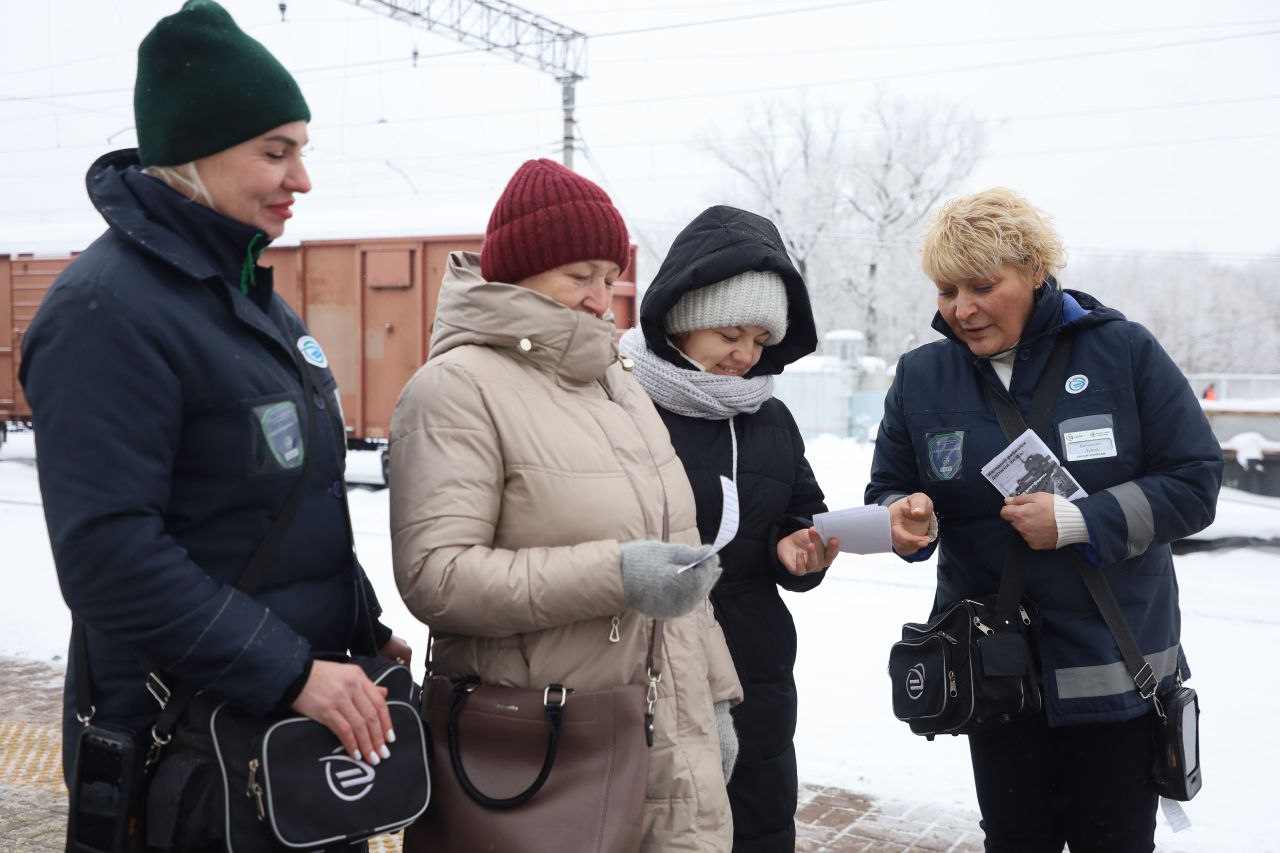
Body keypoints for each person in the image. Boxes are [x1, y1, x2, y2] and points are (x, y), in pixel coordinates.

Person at [19, 2, 409, 848]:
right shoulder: (105, 313)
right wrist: (293, 668)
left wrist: (359, 625)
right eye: (276, 151)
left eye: (301, 149)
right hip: (187, 757)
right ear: (191, 154)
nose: (300, 178)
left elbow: (285, 501)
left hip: (275, 739)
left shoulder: (243, 301)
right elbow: (109, 555)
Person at [389, 159, 743, 851]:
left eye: (610, 278)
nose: (599, 297)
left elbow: (677, 561)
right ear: (519, 270)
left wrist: (716, 700)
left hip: (662, 735)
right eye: (579, 275)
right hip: (540, 750)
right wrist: (616, 574)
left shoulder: (620, 386)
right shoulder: (455, 388)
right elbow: (437, 576)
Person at [866, 187, 1223, 852]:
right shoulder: (922, 377)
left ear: (1033, 270)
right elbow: (892, 486)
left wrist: (1083, 520)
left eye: (981, 285)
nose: (961, 309)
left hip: (1114, 675)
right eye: (947, 290)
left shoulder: (1123, 353)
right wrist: (902, 515)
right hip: (993, 677)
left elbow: (1196, 482)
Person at [618, 205, 836, 852]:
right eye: (730, 334)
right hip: (643, 658)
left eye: (760, 341)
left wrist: (800, 549)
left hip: (753, 664)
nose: (745, 355)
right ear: (684, 319)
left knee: (756, 826)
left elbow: (802, 509)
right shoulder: (620, 400)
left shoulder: (771, 418)